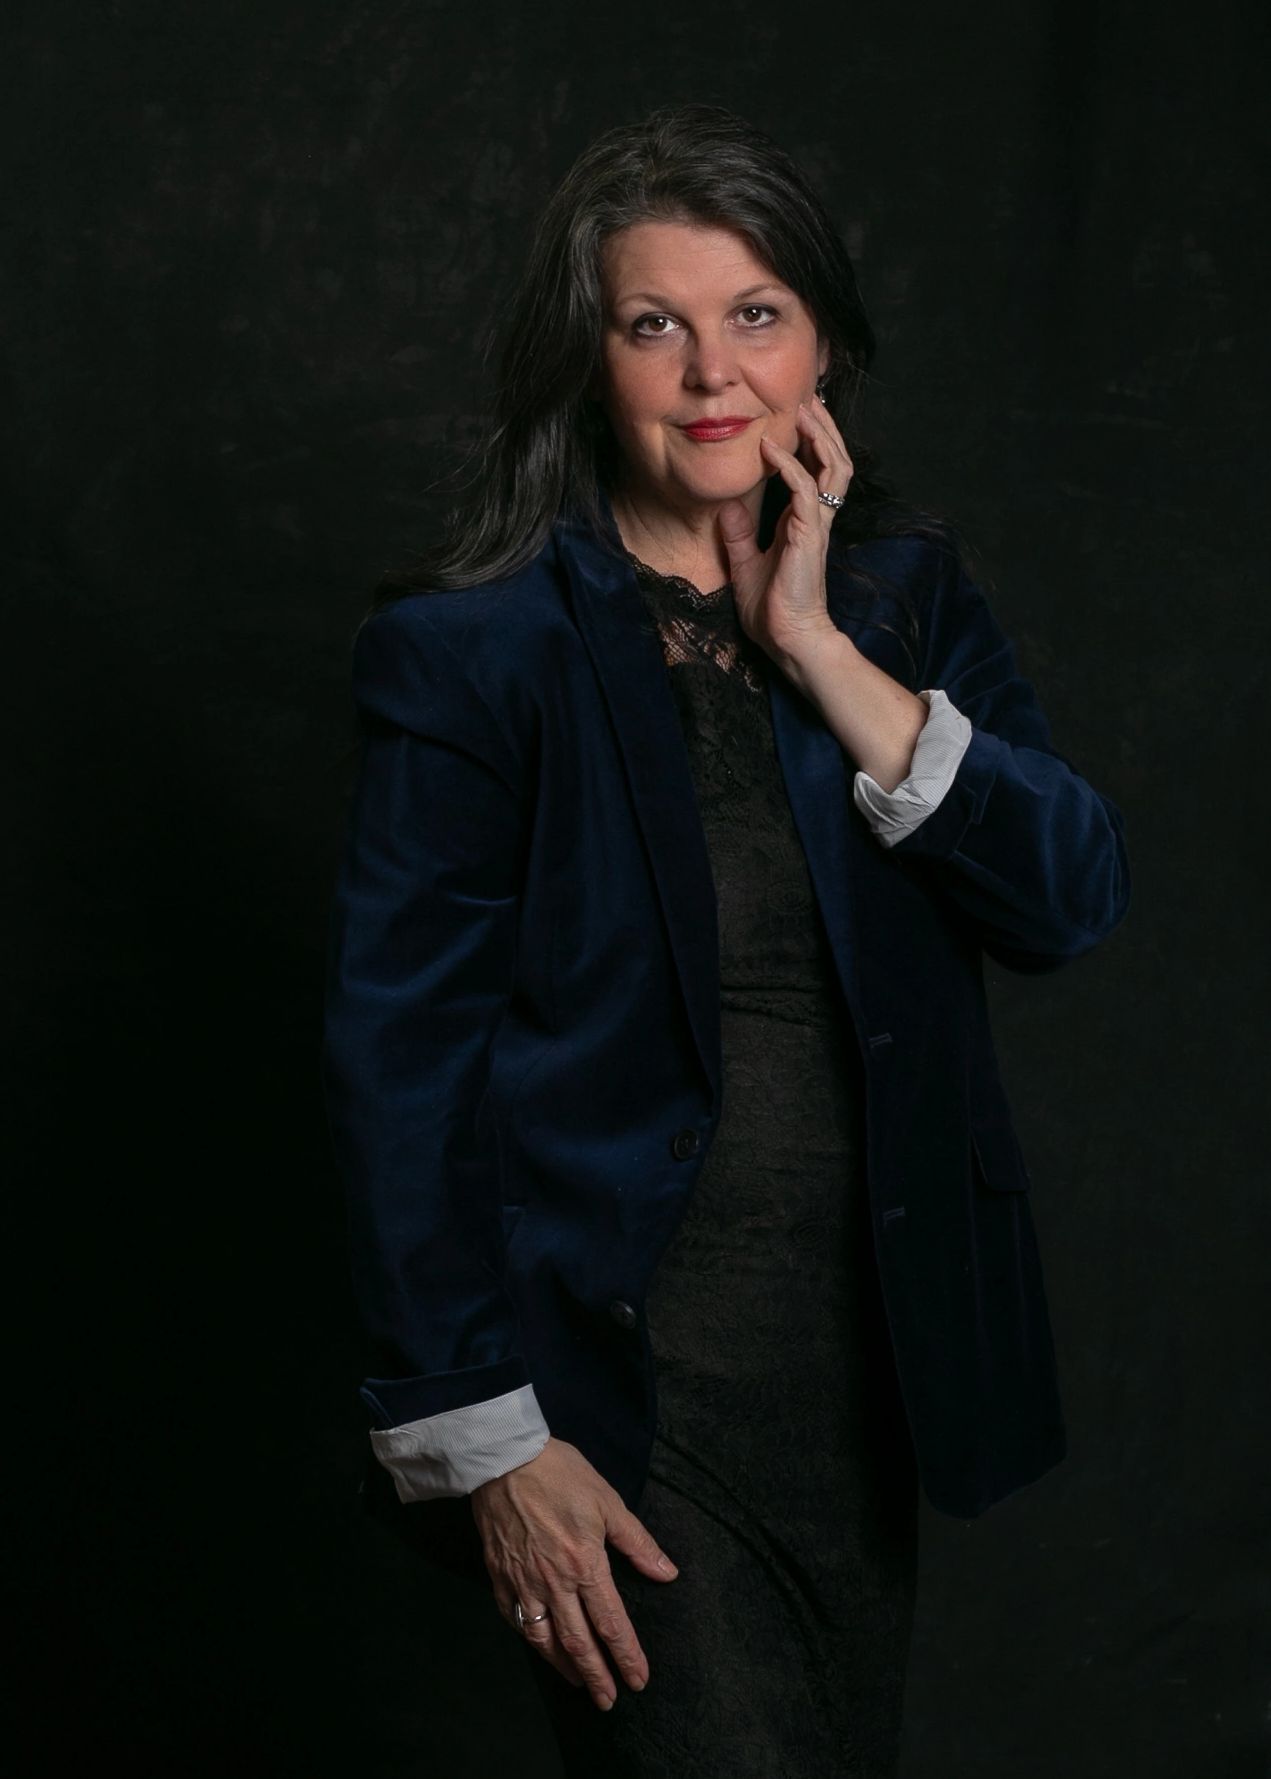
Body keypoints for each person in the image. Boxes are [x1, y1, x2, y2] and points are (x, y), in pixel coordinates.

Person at [320, 102, 1131, 1778]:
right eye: (655, 323)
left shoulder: (906, 602)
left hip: (862, 1393)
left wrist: (820, 650)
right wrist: (486, 1439)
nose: (713, 374)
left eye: (755, 315)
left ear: (820, 339)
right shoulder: (472, 656)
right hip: (619, 1406)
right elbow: (401, 1068)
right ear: (589, 355)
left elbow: (1065, 898)